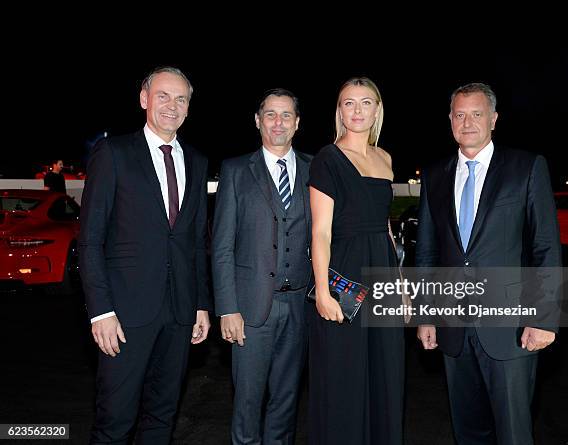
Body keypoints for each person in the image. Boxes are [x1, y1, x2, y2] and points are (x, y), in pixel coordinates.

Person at [415, 82, 562, 445]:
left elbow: (545, 246)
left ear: (493, 119)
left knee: (513, 432)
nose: (467, 122)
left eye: (477, 114)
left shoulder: (526, 167)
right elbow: (428, 253)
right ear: (450, 120)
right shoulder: (435, 176)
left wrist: (543, 318)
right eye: (459, 114)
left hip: (511, 330)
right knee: (468, 431)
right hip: (454, 329)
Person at [79, 67, 212, 444]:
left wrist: (200, 303)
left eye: (181, 98)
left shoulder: (198, 162)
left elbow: (196, 241)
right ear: (144, 99)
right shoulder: (115, 153)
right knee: (114, 421)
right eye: (163, 96)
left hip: (179, 312)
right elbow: (90, 239)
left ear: (189, 106)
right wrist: (101, 311)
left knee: (162, 417)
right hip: (124, 315)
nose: (172, 105)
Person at [307, 77, 405, 444]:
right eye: (349, 103)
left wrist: (401, 284)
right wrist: (322, 291)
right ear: (339, 111)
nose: (358, 110)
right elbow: (320, 232)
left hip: (382, 272)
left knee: (385, 370)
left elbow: (387, 229)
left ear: (377, 110)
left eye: (366, 102)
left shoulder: (386, 158)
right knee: (343, 375)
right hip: (344, 274)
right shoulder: (327, 159)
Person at [212, 88, 312, 444]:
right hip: (251, 309)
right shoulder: (236, 170)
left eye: (286, 115)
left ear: (297, 123)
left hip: (301, 306)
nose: (278, 122)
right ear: (257, 121)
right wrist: (227, 309)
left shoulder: (316, 170)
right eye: (270, 114)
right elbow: (221, 245)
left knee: (286, 402)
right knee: (248, 401)